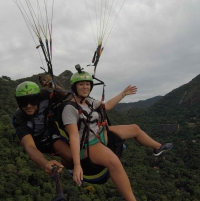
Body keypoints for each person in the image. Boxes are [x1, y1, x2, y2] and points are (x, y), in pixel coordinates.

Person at [62, 71, 173, 200]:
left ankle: (158, 147)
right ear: (74, 87)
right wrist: (77, 165)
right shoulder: (69, 109)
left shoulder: (88, 102)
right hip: (87, 144)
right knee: (115, 163)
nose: (85, 87)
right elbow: (74, 136)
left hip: (100, 133)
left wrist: (123, 94)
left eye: (87, 84)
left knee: (134, 128)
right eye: (81, 84)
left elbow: (107, 106)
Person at [12, 78, 73, 175]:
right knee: (71, 157)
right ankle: (71, 168)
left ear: (37, 98)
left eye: (32, 100)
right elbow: (29, 145)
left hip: (54, 127)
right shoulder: (19, 119)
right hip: (43, 141)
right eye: (23, 102)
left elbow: (65, 96)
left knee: (67, 105)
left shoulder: (44, 96)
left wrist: (54, 86)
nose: (28, 105)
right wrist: (45, 163)